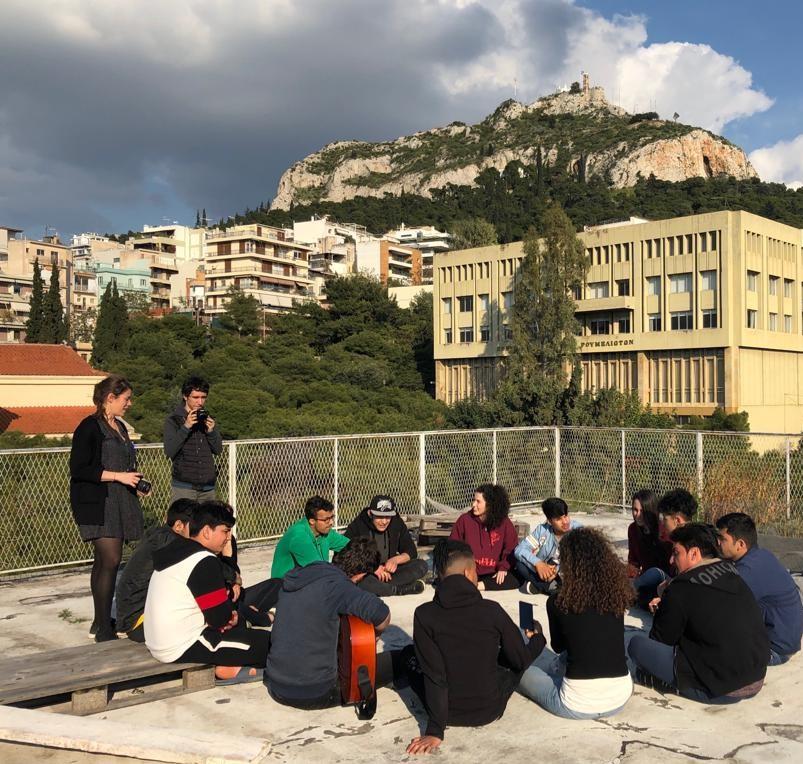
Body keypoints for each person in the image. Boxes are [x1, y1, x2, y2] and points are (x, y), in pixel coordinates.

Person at [406, 539, 546, 755]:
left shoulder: (424, 614)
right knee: (507, 659)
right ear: (468, 573)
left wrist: (436, 730)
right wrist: (539, 639)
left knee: (409, 657)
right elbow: (520, 660)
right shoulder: (491, 610)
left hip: (446, 714)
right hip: (489, 710)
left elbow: (435, 676)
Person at [628, 523, 769, 704]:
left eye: (676, 553)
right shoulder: (731, 570)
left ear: (694, 554)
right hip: (756, 677)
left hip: (720, 689)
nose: (671, 560)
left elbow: (660, 640)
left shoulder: (680, 587)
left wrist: (666, 605)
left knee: (636, 644)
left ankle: (668, 684)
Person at [265, 537, 399, 708]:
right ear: (360, 575)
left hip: (275, 684)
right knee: (402, 657)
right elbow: (383, 617)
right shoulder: (339, 586)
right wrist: (374, 636)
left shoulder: (299, 576)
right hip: (313, 691)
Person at [144, 502, 269, 685]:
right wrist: (230, 617)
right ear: (206, 532)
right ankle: (227, 668)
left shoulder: (178, 551)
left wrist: (231, 617)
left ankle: (230, 665)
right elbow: (219, 619)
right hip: (183, 644)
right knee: (270, 644)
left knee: (243, 627)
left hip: (160, 642)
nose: (228, 538)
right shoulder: (203, 560)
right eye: (225, 531)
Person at [517, 528, 634, 719]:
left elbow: (559, 646)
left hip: (576, 704)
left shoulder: (557, 602)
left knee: (519, 672)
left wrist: (537, 635)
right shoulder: (616, 597)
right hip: (621, 694)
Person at [70, 374, 147, 642]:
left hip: (120, 500)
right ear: (110, 398)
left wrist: (135, 481)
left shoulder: (121, 428)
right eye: (126, 399)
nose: (129, 404)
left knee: (104, 562)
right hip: (98, 502)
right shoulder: (89, 427)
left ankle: (99, 620)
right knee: (111, 560)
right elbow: (80, 469)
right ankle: (104, 629)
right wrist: (118, 476)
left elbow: (125, 463)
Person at [716, 512, 803, 665]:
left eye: (723, 539)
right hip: (786, 642)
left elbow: (717, 606)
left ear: (741, 544)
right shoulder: (762, 555)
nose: (717, 543)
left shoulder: (748, 572)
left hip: (774, 650)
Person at [116, 498, 197, 642]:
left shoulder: (158, 535)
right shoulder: (171, 542)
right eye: (196, 527)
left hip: (132, 617)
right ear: (178, 526)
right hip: (140, 622)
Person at [345, 495, 428, 596]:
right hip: (368, 572)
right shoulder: (357, 526)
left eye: (387, 517)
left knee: (421, 565)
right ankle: (399, 590)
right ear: (370, 514)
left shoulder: (396, 522)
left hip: (388, 572)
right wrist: (373, 568)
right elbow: (346, 558)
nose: (384, 521)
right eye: (379, 517)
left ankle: (382, 588)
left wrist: (395, 560)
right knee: (361, 582)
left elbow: (411, 550)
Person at [448, 484, 522, 591]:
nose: (473, 504)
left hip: (493, 573)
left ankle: (478, 586)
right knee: (448, 578)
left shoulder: (504, 522)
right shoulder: (465, 520)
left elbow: (511, 548)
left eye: (478, 501)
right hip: (470, 572)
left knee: (517, 578)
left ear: (490, 504)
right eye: (474, 500)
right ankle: (473, 584)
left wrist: (503, 567)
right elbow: (453, 545)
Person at [163, 376, 223, 504]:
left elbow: (218, 450)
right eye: (195, 397)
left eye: (203, 397)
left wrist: (211, 432)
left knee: (208, 524)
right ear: (185, 396)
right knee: (184, 523)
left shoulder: (207, 418)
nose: (200, 402)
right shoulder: (173, 420)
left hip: (208, 488)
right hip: (184, 487)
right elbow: (169, 451)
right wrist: (186, 427)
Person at [514, 497, 581, 594]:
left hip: (566, 574)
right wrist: (538, 564)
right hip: (544, 571)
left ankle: (541, 586)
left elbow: (581, 559)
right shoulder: (542, 530)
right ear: (549, 521)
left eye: (566, 516)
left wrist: (556, 571)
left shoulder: (578, 530)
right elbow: (519, 549)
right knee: (520, 564)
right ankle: (549, 588)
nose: (565, 522)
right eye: (558, 519)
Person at [271, 496, 350, 579]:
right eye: (326, 519)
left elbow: (353, 546)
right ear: (312, 521)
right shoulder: (299, 537)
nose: (331, 522)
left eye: (332, 517)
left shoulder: (325, 531)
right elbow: (318, 570)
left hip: (307, 581)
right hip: (284, 586)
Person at [627, 490, 672, 606]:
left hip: (665, 579)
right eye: (635, 510)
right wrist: (632, 574)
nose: (637, 515)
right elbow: (633, 561)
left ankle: (627, 592)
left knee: (654, 573)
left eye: (642, 511)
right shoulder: (633, 529)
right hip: (647, 580)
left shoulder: (663, 528)